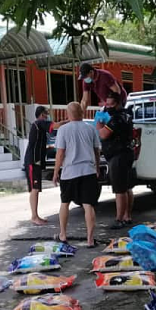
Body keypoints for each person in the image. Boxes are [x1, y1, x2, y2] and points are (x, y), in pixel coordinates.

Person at [52, 102, 101, 247]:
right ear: (82, 113)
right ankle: (90, 239)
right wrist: (97, 167)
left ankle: (63, 234)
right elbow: (96, 151)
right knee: (88, 205)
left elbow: (60, 154)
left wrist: (56, 172)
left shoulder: (63, 130)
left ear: (68, 114)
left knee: (65, 203)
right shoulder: (90, 128)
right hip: (88, 171)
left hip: (69, 172)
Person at [97, 91, 135, 229]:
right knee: (126, 187)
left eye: (110, 104)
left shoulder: (116, 119)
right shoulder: (128, 114)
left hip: (118, 156)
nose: (107, 107)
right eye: (106, 104)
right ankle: (127, 216)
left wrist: (99, 124)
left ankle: (119, 219)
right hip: (127, 153)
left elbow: (103, 134)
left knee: (119, 189)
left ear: (117, 103)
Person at [24, 106, 67, 225]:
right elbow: (57, 125)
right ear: (41, 114)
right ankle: (34, 216)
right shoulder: (40, 123)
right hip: (33, 161)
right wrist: (70, 120)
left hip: (36, 161)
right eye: (46, 114)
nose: (47, 116)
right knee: (34, 189)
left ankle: (36, 215)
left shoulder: (39, 126)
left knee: (36, 189)